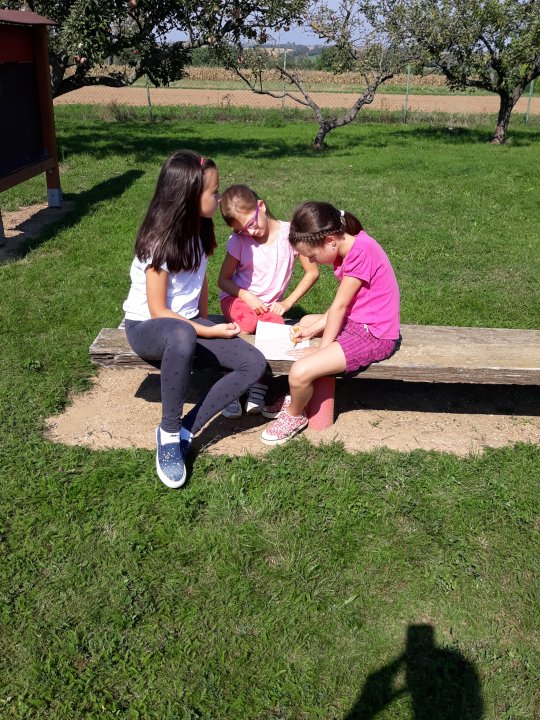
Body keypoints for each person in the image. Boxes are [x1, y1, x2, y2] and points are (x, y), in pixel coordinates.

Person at [122, 151, 267, 488]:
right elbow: (158, 311)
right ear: (188, 196)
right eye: (213, 192)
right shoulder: (158, 242)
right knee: (182, 335)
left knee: (254, 364)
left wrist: (204, 320)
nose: (219, 198)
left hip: (188, 324)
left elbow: (199, 282)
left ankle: (188, 427)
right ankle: (169, 432)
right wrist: (207, 329)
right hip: (148, 328)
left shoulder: (199, 231)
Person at [260, 201, 400, 445]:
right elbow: (345, 305)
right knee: (306, 321)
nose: (311, 260)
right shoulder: (349, 246)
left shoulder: (361, 253)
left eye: (312, 256)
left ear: (330, 241)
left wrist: (322, 350)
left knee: (300, 370)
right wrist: (312, 329)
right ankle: (299, 395)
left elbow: (340, 306)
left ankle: (294, 415)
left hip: (374, 336)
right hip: (358, 322)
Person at [217, 184, 319, 417]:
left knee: (274, 328)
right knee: (248, 323)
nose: (250, 232)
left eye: (251, 224)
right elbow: (223, 280)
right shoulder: (239, 241)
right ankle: (231, 384)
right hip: (237, 298)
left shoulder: (290, 235)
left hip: (266, 307)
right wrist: (246, 295)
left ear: (261, 206)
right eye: (243, 230)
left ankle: (258, 383)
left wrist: (287, 303)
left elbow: (312, 273)